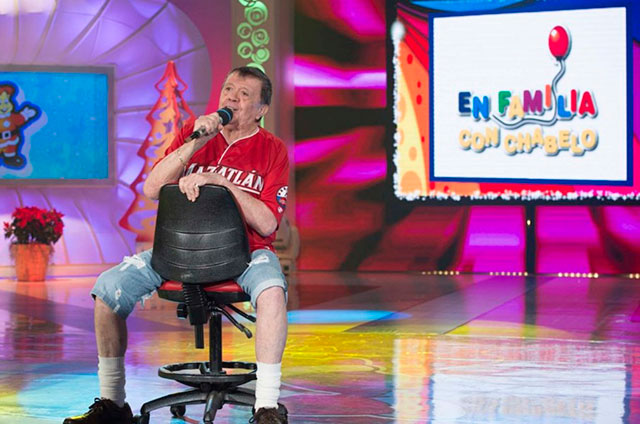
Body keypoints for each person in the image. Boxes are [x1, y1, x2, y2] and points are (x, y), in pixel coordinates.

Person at [64, 66, 289, 424]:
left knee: (273, 291)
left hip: (246, 252)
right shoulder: (192, 134)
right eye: (228, 89)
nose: (231, 98)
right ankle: (113, 404)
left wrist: (221, 183)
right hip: (177, 251)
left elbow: (267, 223)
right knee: (107, 291)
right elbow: (152, 188)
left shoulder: (272, 150)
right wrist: (196, 142)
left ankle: (266, 407)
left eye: (244, 94)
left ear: (261, 109)